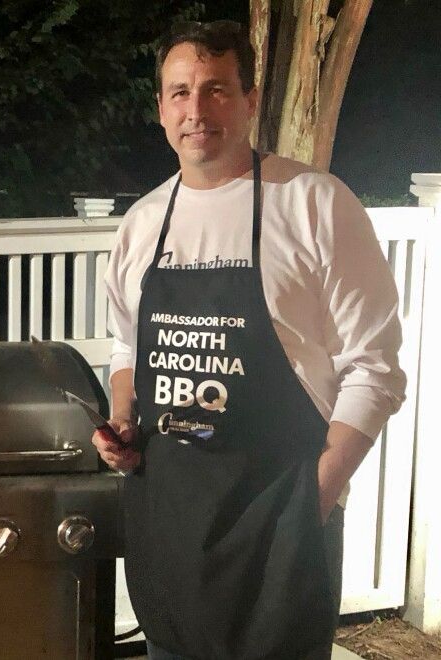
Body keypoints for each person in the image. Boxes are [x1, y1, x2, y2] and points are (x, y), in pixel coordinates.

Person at [92, 20, 406, 660]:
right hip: (172, 519)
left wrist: (313, 499)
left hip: (281, 519)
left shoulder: (314, 204)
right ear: (160, 108)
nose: (196, 110)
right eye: (180, 92)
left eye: (216, 90)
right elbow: (127, 347)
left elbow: (375, 370)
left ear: (250, 99)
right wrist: (122, 423)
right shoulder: (144, 223)